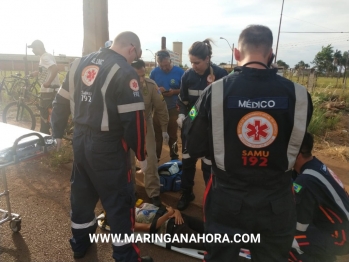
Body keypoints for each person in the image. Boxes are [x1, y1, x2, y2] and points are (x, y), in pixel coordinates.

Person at [184, 25, 313, 261]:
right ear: (271, 54)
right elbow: (299, 142)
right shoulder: (300, 95)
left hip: (226, 199)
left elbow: (193, 145)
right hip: (277, 202)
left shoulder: (214, 92)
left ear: (236, 53)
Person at [51, 31, 153, 262]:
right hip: (108, 147)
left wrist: (56, 132)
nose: (133, 59)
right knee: (119, 201)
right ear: (131, 49)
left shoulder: (79, 63)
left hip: (80, 141)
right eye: (135, 55)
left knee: (82, 194)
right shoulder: (124, 71)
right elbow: (134, 119)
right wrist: (141, 154)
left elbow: (61, 100)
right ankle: (126, 256)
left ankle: (80, 244)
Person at [176, 39, 228, 210]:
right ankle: (187, 192)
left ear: (207, 59)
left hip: (211, 127)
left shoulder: (220, 75)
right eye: (191, 62)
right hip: (191, 123)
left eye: (196, 62)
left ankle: (210, 198)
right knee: (188, 161)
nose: (193, 65)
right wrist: (183, 114)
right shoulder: (188, 75)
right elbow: (182, 100)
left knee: (208, 165)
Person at [289, 132, 349, 262]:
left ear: (297, 155)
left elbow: (299, 227)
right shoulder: (314, 165)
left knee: (284, 238)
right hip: (336, 227)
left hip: (340, 238)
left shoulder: (306, 181)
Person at [130, 59, 169, 207]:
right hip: (126, 127)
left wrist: (164, 129)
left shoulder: (151, 86)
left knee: (151, 159)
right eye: (136, 76)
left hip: (145, 124)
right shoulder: (119, 84)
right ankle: (130, 190)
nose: (140, 79)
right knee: (127, 161)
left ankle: (153, 192)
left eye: (142, 75)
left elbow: (161, 108)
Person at [99, 203, 205, 251]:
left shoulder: (142, 205)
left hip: (180, 218)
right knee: (211, 243)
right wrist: (168, 214)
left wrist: (176, 212)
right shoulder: (130, 223)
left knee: (211, 228)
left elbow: (166, 207)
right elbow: (150, 227)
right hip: (172, 230)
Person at [150, 50, 185, 161]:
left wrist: (174, 92)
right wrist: (157, 89)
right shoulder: (154, 72)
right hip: (158, 109)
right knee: (157, 135)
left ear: (170, 60)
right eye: (161, 66)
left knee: (173, 135)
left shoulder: (180, 72)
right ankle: (156, 157)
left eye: (166, 65)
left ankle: (174, 157)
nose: (164, 68)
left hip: (173, 108)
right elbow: (150, 89)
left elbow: (184, 91)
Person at [28, 39, 60, 134]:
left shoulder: (44, 58)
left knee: (44, 114)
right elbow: (47, 70)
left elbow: (54, 68)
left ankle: (45, 136)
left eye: (33, 48)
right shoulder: (47, 56)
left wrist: (48, 82)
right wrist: (36, 73)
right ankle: (50, 133)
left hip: (48, 91)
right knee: (48, 113)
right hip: (51, 90)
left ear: (39, 47)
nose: (32, 50)